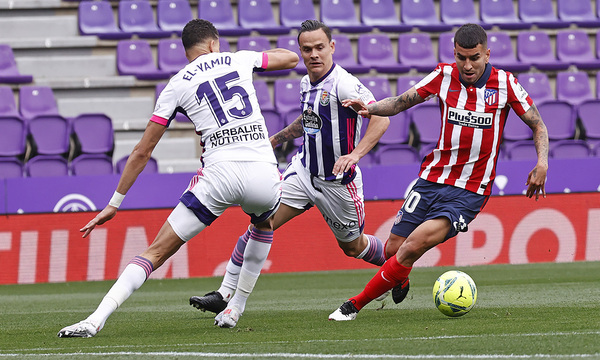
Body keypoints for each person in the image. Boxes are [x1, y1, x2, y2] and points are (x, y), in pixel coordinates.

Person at [57, 19, 299, 337]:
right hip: (263, 173)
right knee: (263, 224)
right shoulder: (240, 58)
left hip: (219, 174)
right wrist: (251, 56)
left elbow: (143, 152)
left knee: (155, 252)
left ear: (187, 52)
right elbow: (290, 58)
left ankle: (94, 320)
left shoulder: (176, 84)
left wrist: (115, 203)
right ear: (214, 43)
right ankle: (235, 308)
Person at [328, 23, 549, 321]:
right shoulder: (444, 75)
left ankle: (352, 306)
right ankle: (400, 276)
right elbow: (400, 102)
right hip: (431, 178)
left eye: (474, 57)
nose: (467, 65)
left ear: (487, 54)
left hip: (470, 190)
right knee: (394, 250)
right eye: (461, 57)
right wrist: (370, 108)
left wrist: (542, 162)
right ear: (454, 54)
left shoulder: (505, 84)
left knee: (412, 247)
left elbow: (538, 124)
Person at [189, 20, 391, 319]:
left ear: (332, 47)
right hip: (303, 172)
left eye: (320, 48)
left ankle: (398, 266)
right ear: (300, 50)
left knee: (354, 247)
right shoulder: (305, 82)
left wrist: (355, 154)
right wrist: (275, 139)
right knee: (262, 222)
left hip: (338, 184)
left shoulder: (344, 83)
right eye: (307, 49)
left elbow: (381, 118)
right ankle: (225, 295)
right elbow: (307, 121)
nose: (314, 54)